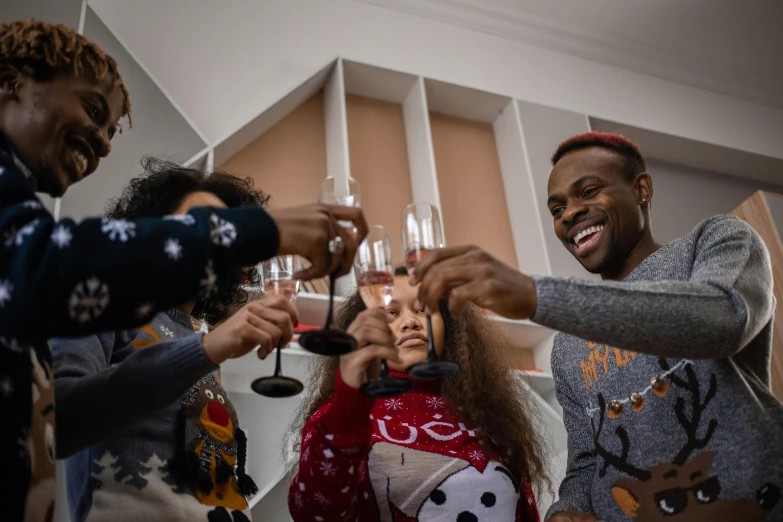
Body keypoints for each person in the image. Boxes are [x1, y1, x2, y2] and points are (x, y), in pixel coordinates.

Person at [0, 19, 366, 522]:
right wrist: (255, 230)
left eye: (111, 134)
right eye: (92, 109)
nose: (104, 146)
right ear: (10, 82)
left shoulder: (196, 330)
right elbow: (44, 266)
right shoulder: (84, 289)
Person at [411, 131, 783, 522]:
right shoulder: (569, 345)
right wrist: (568, 508)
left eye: (588, 192)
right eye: (557, 210)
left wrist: (537, 295)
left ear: (641, 189)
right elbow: (588, 462)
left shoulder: (716, 240)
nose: (569, 214)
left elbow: (723, 319)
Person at [51, 160, 295, 522]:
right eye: (196, 225)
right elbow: (59, 419)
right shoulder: (99, 302)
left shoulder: (196, 335)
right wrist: (206, 349)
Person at [287, 266, 548, 522]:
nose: (410, 322)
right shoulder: (338, 417)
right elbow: (313, 513)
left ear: (449, 324)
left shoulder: (488, 413)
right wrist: (348, 407)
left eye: (423, 310)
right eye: (391, 313)